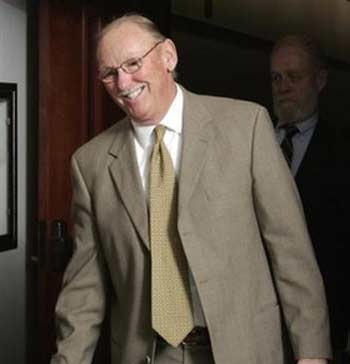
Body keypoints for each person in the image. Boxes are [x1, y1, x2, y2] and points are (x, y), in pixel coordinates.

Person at [51, 14, 331, 364]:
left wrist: (313, 353)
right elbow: (84, 289)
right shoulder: (90, 164)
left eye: (133, 63)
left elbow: (291, 252)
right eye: (109, 73)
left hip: (243, 351)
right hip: (150, 354)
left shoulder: (246, 127)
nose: (123, 82)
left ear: (168, 55)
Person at [270, 35, 350, 363]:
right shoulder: (248, 139)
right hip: (253, 322)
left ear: (320, 80)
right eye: (276, 78)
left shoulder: (343, 153)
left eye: (294, 76)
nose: (283, 86)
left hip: (320, 328)